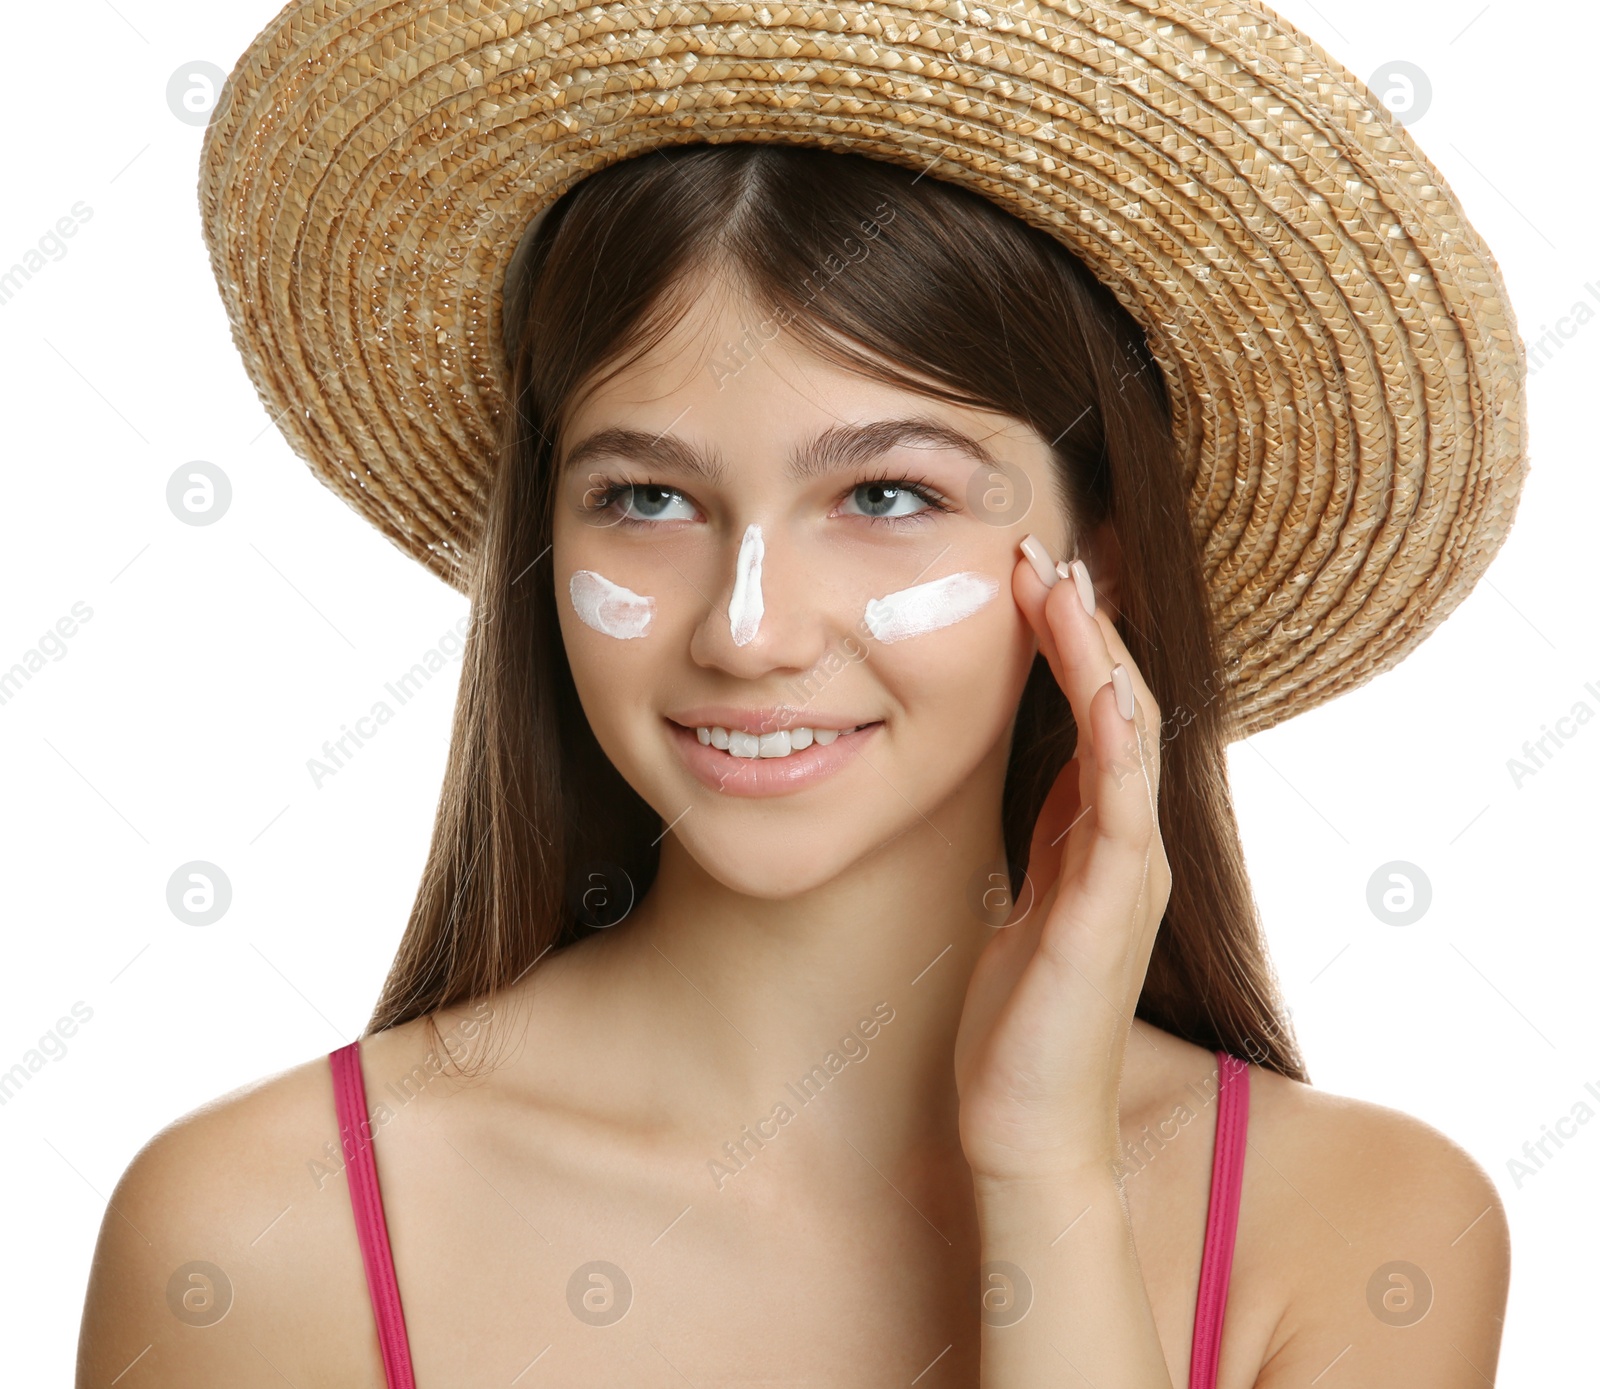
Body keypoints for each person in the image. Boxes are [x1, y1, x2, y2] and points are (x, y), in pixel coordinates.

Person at [78, 2, 1525, 1385]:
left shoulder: (1366, 1230)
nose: (749, 629)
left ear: (1100, 562)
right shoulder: (260, 1237)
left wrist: (1044, 1170)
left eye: (886, 492)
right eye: (646, 495)